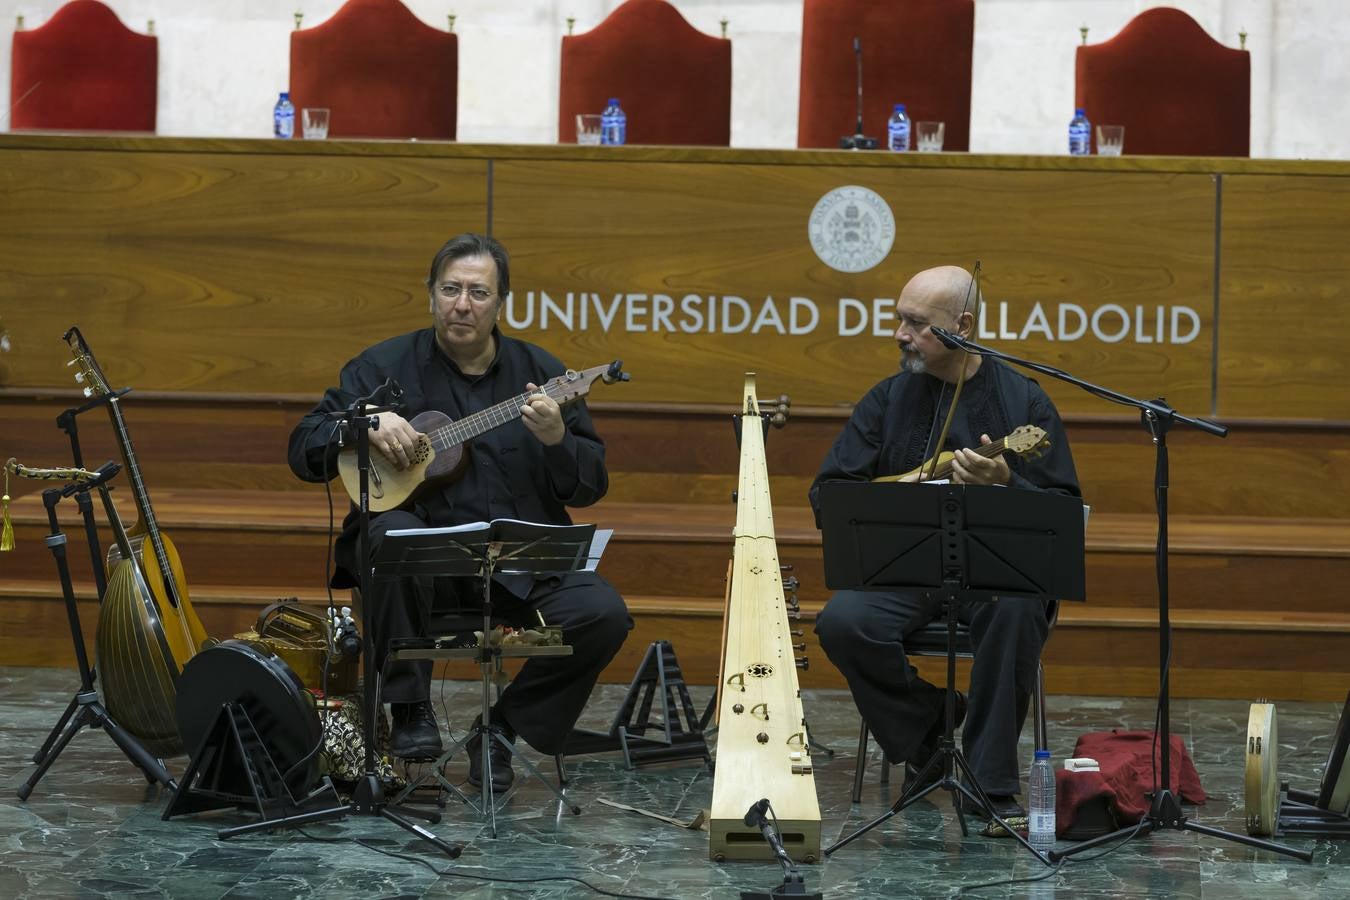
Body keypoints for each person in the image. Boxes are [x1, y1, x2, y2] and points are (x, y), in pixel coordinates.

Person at [288, 233, 631, 788]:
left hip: (518, 568)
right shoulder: (382, 367)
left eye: (478, 292)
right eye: (450, 289)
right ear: (430, 296)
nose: (462, 304)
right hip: (423, 572)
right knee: (390, 533)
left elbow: (589, 486)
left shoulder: (543, 373)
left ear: (501, 304)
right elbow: (302, 449)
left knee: (603, 612)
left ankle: (501, 730)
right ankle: (409, 707)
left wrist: (556, 441)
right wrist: (366, 423)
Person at [809, 265, 1081, 820]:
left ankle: (990, 783)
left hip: (996, 574)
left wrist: (1008, 483)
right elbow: (830, 492)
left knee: (1015, 610)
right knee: (843, 623)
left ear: (964, 325)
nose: (899, 335)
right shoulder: (887, 399)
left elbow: (1063, 510)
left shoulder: (1023, 402)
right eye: (898, 319)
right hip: (906, 571)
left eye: (916, 324)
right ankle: (931, 725)